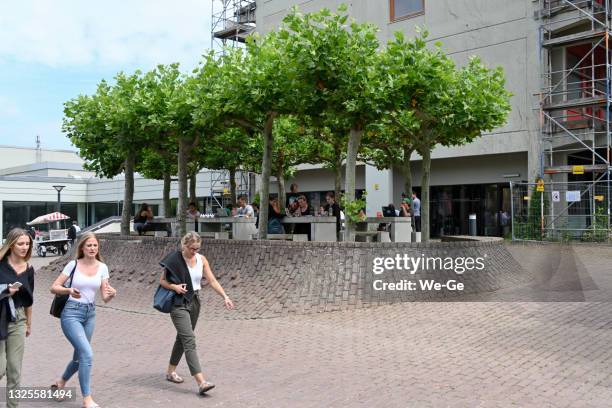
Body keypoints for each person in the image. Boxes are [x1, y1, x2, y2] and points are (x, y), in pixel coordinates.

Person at [159, 232, 234, 396]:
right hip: (178, 303)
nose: (194, 251)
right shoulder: (174, 259)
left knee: (182, 337)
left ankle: (170, 372)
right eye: (192, 248)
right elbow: (162, 281)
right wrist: (175, 287)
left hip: (195, 301)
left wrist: (225, 296)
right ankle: (201, 382)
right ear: (184, 245)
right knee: (189, 339)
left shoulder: (202, 259)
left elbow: (212, 280)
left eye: (197, 248)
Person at [50, 232, 117, 408]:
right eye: (89, 245)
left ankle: (61, 382)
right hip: (71, 313)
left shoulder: (103, 267)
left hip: (90, 314)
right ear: (82, 248)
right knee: (87, 354)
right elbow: (54, 287)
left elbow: (104, 297)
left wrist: (112, 294)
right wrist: (69, 290)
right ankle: (87, 399)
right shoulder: (73, 265)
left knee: (79, 357)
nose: (92, 248)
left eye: (95, 245)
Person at [0, 228, 35, 408]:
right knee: (0, 368)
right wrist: (6, 291)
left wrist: (29, 323)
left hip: (18, 319)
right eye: (20, 243)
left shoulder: (29, 269)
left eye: (27, 244)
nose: (24, 247)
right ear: (11, 244)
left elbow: (29, 299)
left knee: (14, 370)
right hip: (0, 317)